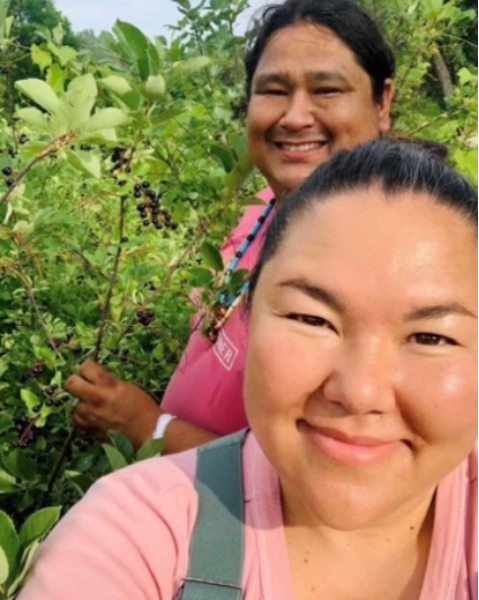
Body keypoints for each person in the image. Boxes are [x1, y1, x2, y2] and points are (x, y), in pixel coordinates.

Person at [19, 141, 478, 599]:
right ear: (249, 318)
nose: (359, 391)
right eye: (312, 319)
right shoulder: (133, 535)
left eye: (431, 337)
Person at [66, 0, 396, 453]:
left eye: (327, 89)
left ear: (382, 102)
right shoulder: (264, 204)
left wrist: (142, 424)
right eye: (274, 90)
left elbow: (307, 474)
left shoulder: (387, 266)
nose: (295, 116)